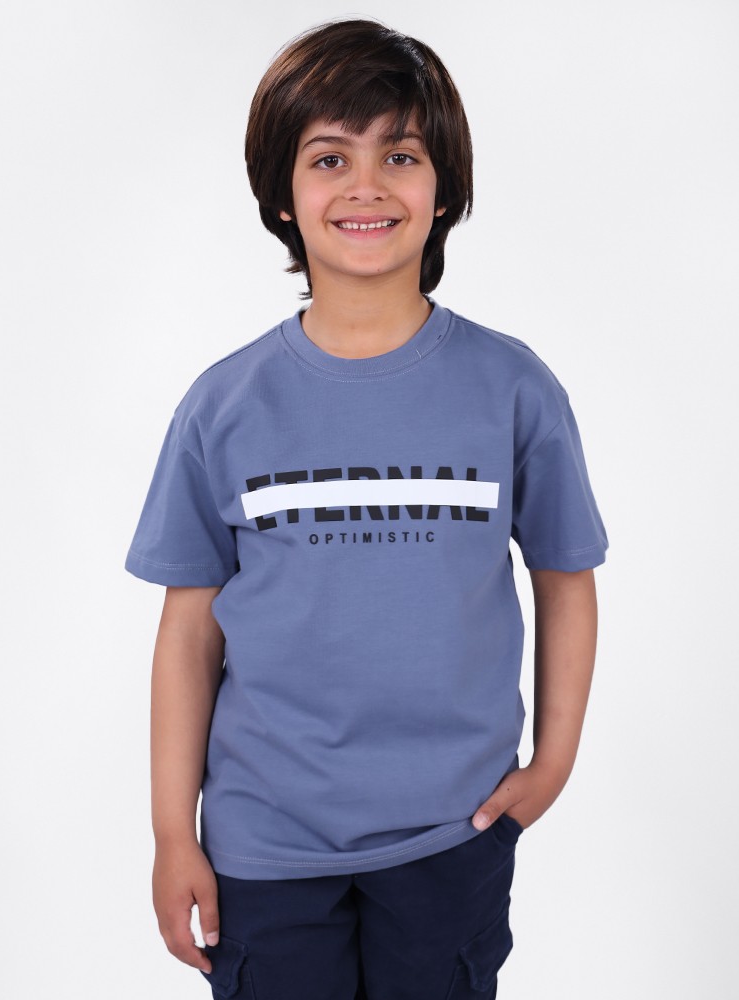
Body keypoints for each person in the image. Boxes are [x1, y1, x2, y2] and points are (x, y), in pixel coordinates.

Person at [124, 17, 609, 1000]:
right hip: (264, 845)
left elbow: (565, 576)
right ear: (282, 193)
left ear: (444, 188)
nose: (366, 186)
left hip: (451, 833)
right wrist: (174, 831)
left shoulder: (512, 388)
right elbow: (188, 629)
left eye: (400, 154)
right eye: (329, 158)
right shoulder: (224, 405)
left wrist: (551, 764)